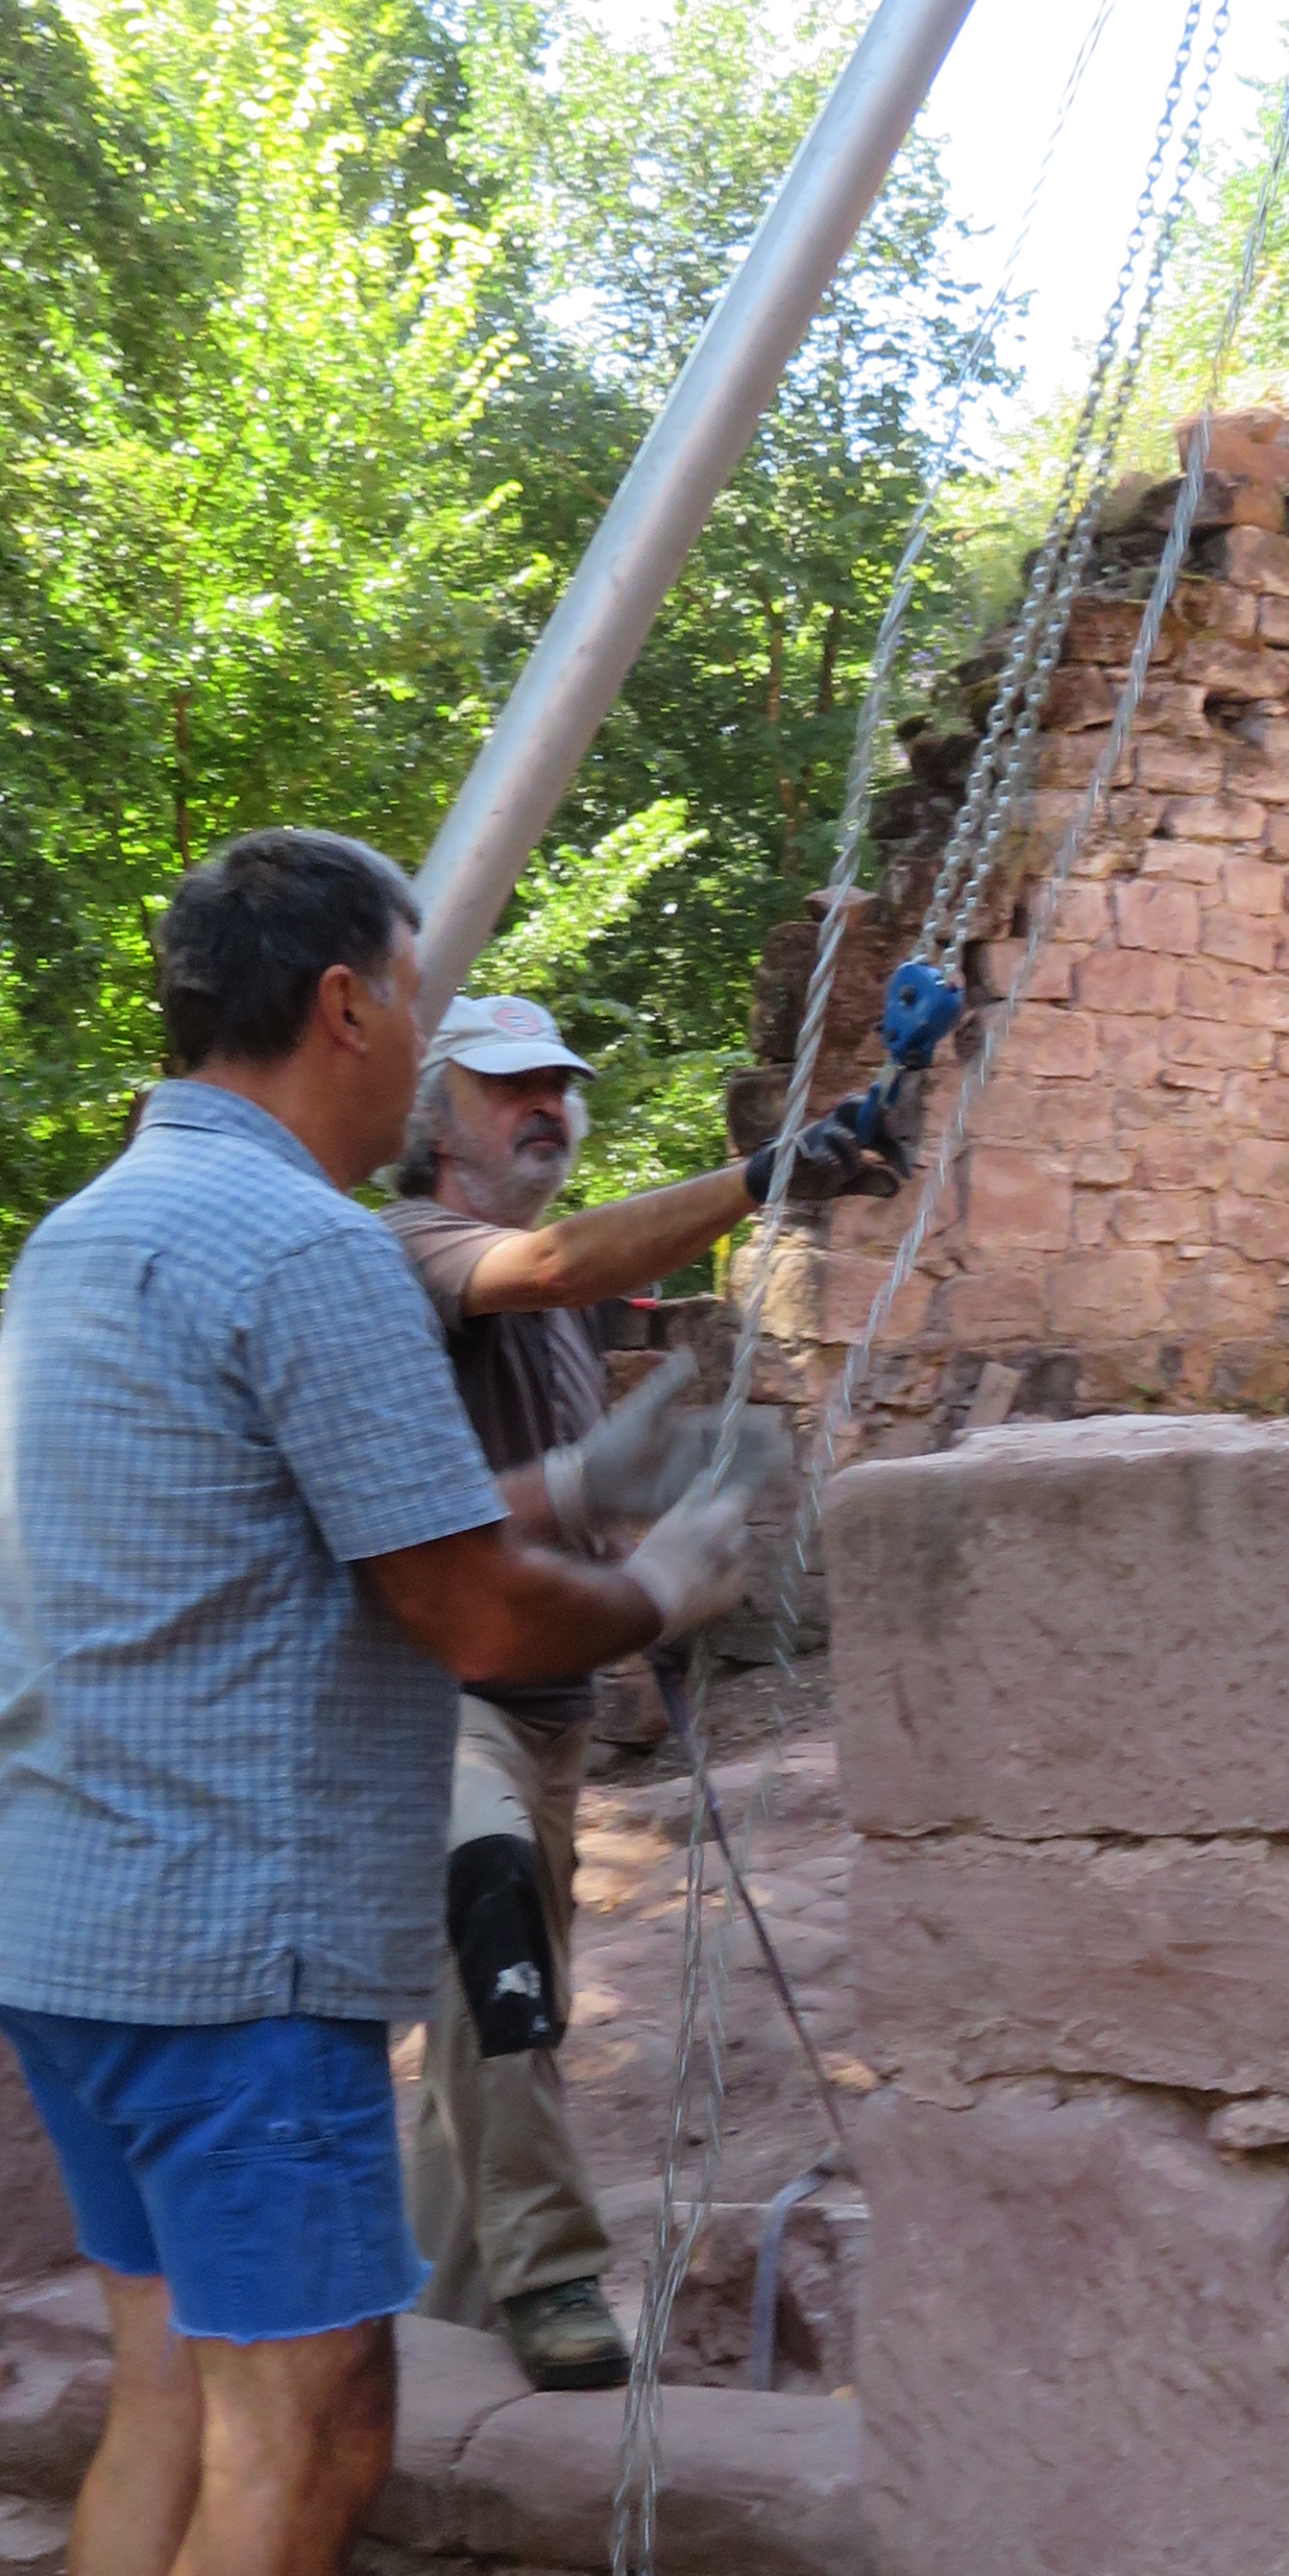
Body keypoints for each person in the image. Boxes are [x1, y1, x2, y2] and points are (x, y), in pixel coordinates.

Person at [0, 827, 764, 2576]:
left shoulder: (95, 1229)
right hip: (231, 1956)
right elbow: (475, 1613)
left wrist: (580, 1472)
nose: (425, 1042)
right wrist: (669, 1574)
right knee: (306, 2440)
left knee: (166, 2406)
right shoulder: (307, 1248)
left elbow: (282, 1521)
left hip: (70, 1924)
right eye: (417, 995)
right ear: (342, 1002)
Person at [383, 986, 778, 2391]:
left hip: (541, 1705)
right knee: (492, 1936)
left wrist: (645, 1561)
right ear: (437, 1121)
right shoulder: (413, 1245)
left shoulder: (554, 1319)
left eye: (556, 1082)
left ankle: (436, 2346)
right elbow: (545, 1272)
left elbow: (558, 1495)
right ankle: (552, 2277)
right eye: (508, 1087)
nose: (544, 1104)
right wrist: (766, 1176)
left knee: (490, 2036)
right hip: (432, 1698)